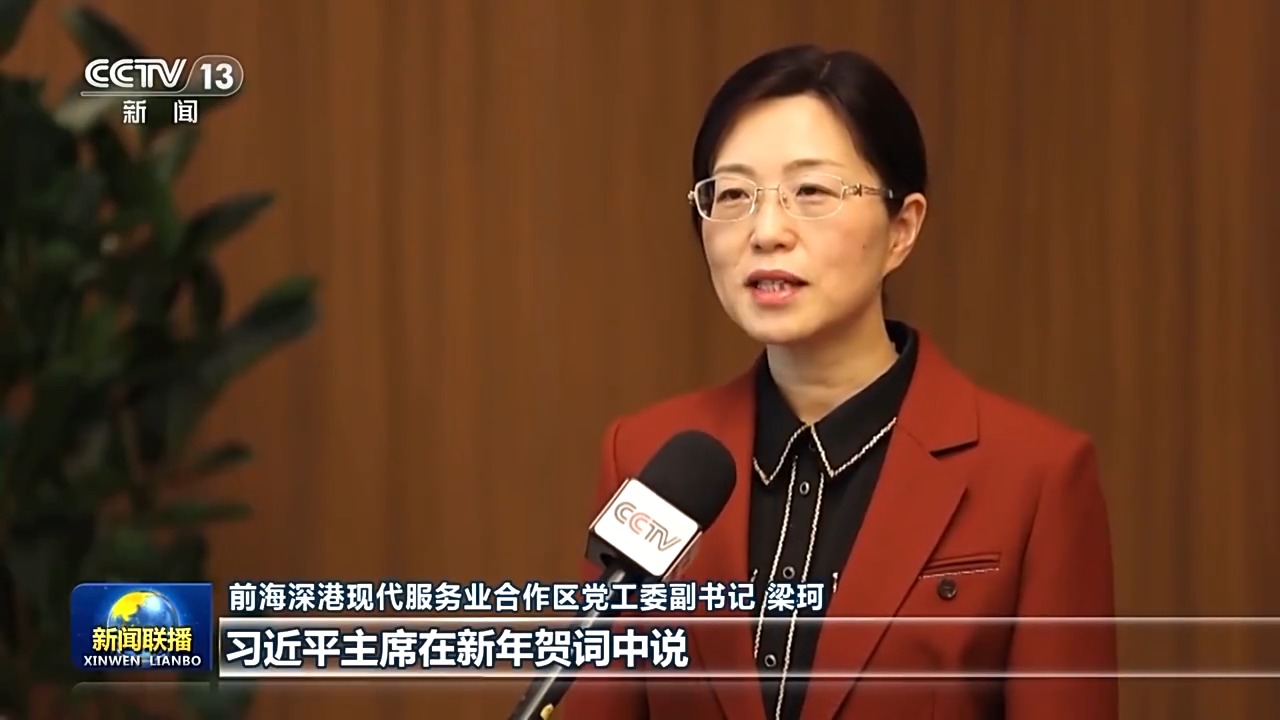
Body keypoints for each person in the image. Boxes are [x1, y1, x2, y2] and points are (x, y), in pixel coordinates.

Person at [557, 44, 1117, 720]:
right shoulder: (649, 455)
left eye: (812, 192)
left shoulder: (1035, 477)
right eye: (733, 194)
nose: (766, 232)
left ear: (901, 229)